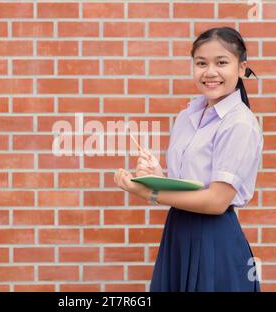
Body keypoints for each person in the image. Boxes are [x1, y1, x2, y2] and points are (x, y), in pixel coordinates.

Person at [113, 27, 263, 292]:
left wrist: (151, 192)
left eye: (222, 62)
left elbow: (216, 201)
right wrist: (156, 175)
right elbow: (189, 183)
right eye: (201, 63)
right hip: (178, 232)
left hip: (215, 240)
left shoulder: (240, 123)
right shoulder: (188, 115)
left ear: (241, 68)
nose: (210, 72)